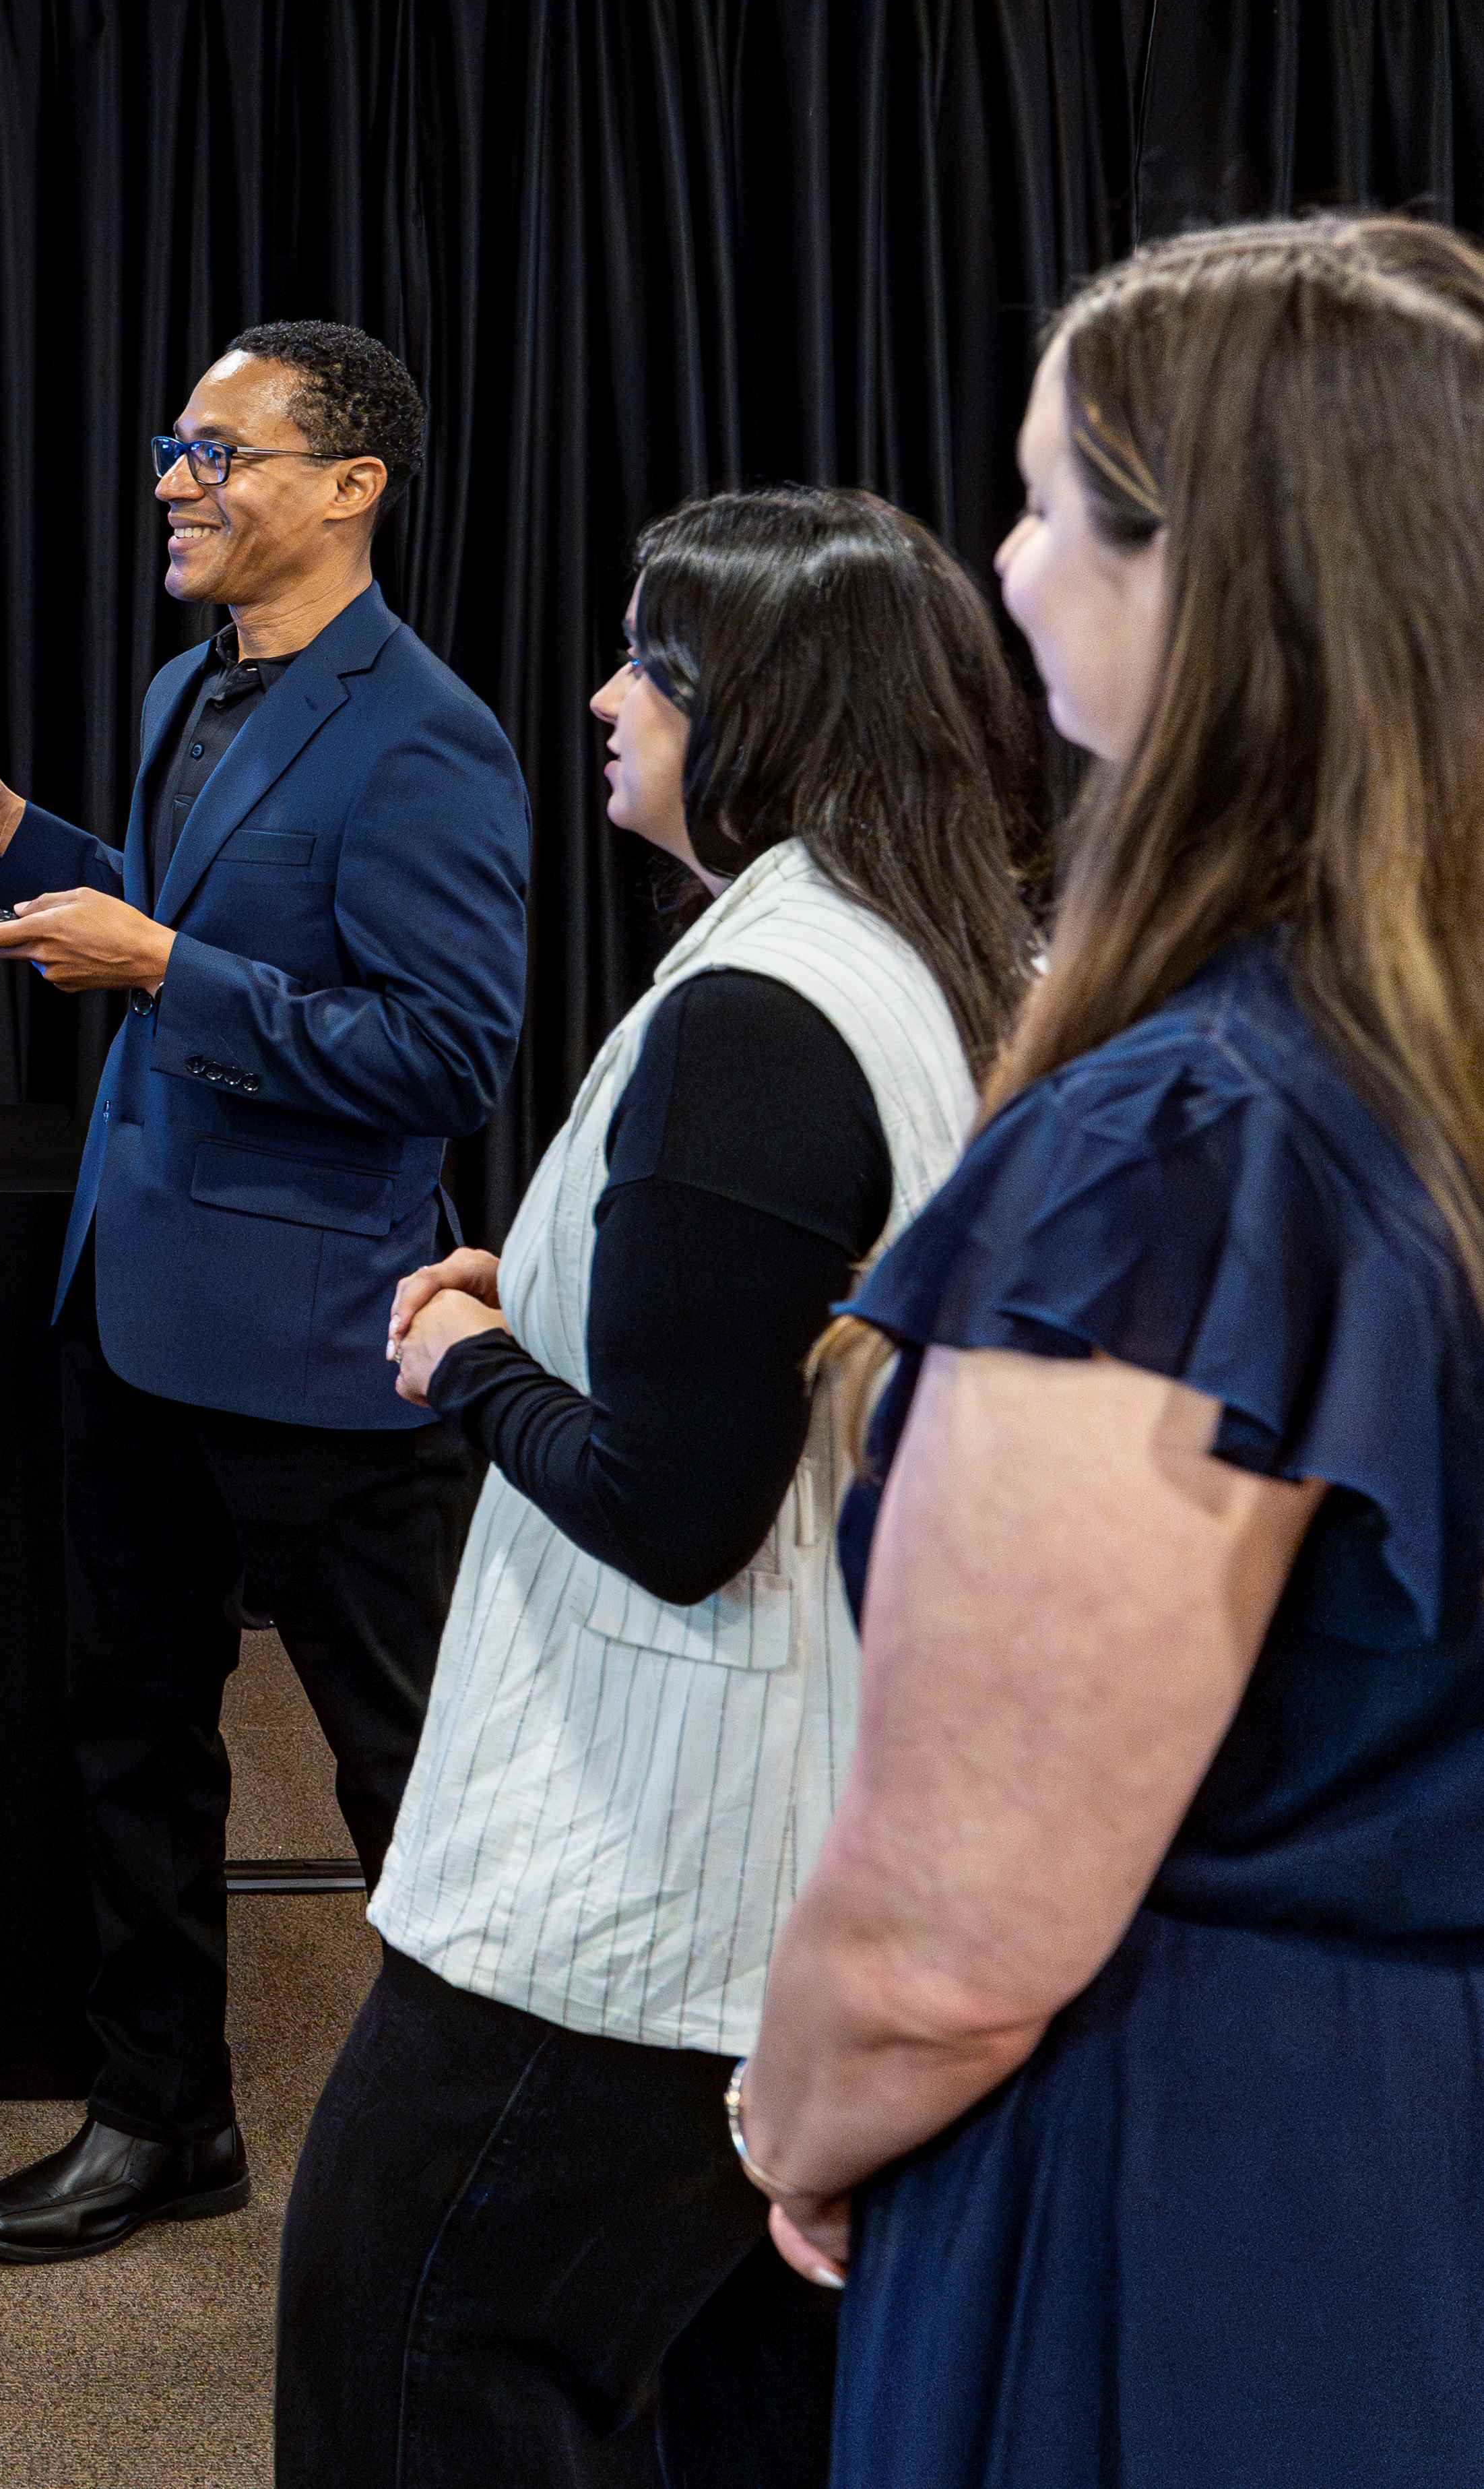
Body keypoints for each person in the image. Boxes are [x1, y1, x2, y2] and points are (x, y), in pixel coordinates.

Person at [736, 216, 1484, 2487]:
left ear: (1222, 589)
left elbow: (941, 1954)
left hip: (1222, 2203)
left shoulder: (1183, 1147)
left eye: (1051, 503)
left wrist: (790, 2109)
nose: (1003, 561)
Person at [271, 489, 1039, 2486]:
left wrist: (467, 1360)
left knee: (405, 2373)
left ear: (763, 710)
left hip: (638, 1896)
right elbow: (759, 1337)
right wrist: (539, 1301)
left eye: (651, 663)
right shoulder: (924, 958)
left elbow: (675, 1509)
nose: (607, 696)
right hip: (788, 1867)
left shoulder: (759, 1011)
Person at [0, 319, 528, 2262]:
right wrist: (24, 844)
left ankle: (501, 2175)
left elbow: (448, 1054)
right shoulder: (184, 684)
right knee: (132, 1733)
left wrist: (161, 971)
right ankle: (162, 2117)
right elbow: (198, 904)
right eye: (174, 448)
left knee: (408, 1773)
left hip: (323, 1339)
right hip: (129, 1308)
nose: (171, 483)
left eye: (218, 453)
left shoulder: (427, 734)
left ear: (351, 485)